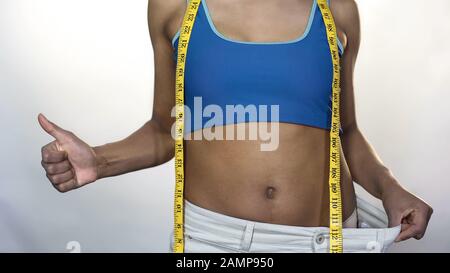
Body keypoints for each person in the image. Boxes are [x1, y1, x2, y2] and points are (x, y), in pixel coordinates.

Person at [38, 0, 432, 253]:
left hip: (325, 238)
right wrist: (98, 160)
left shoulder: (335, 10)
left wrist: (390, 188)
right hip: (215, 243)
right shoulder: (175, 8)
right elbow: (166, 129)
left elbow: (346, 132)